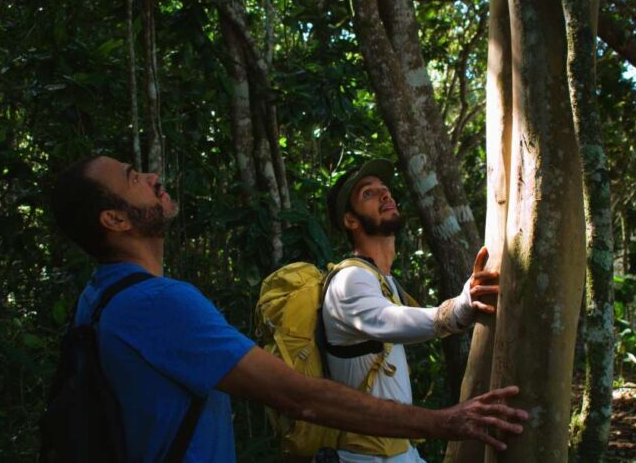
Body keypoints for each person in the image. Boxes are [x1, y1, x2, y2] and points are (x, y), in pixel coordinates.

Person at [51, 155, 527, 462]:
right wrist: (447, 420)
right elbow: (300, 396)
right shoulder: (157, 304)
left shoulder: (98, 300)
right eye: (135, 179)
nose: (153, 176)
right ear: (114, 219)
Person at [321, 159, 500, 463]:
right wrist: (457, 309)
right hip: (365, 456)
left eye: (385, 190)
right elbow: (387, 320)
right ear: (350, 221)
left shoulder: (382, 280)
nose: (385, 196)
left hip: (400, 452)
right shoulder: (350, 279)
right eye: (369, 194)